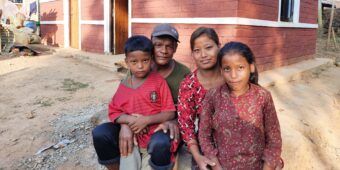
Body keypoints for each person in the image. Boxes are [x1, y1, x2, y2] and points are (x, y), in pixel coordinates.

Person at [92, 35, 177, 170]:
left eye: (145, 60)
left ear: (151, 59)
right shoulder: (124, 85)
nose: (140, 66)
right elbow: (114, 112)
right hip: (131, 141)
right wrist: (129, 120)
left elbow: (170, 112)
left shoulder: (158, 82)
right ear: (126, 62)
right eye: (134, 62)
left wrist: (146, 120)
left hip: (153, 140)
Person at [198, 41, 282, 170]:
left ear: (251, 67)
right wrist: (215, 166)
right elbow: (204, 135)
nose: (233, 75)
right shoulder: (213, 96)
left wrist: (268, 166)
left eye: (240, 68)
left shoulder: (263, 96)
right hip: (222, 166)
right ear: (221, 70)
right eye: (227, 69)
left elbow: (274, 139)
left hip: (257, 166)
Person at [177, 27, 225, 170]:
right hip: (206, 143)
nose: (203, 55)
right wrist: (197, 156)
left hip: (239, 138)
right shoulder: (189, 85)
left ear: (219, 47)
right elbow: (186, 124)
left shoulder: (231, 76)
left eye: (208, 47)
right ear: (192, 54)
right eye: (197, 51)